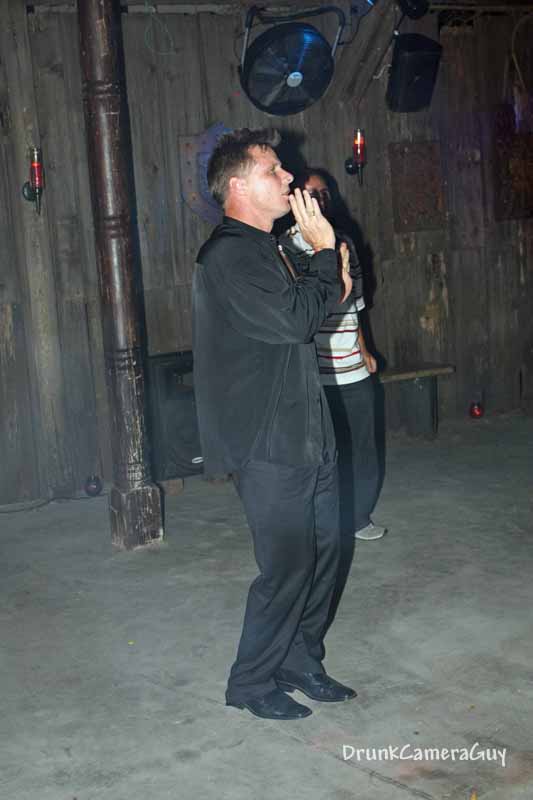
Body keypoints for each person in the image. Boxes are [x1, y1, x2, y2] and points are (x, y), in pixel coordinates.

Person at [192, 129, 356, 721]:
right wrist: (323, 257)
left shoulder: (268, 247)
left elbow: (315, 306)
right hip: (267, 439)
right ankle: (251, 682)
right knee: (287, 566)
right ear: (238, 186)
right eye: (273, 170)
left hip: (306, 426)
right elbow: (295, 322)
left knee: (326, 552)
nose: (289, 177)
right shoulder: (228, 256)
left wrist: (324, 268)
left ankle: (299, 661)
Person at [279, 168, 386, 542]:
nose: (319, 200)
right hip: (315, 372)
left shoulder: (345, 241)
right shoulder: (284, 247)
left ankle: (358, 517)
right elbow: (300, 309)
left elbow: (355, 302)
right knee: (325, 454)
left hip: (351, 366)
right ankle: (326, 523)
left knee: (364, 447)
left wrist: (364, 348)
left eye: (324, 193)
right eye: (311, 194)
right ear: (295, 200)